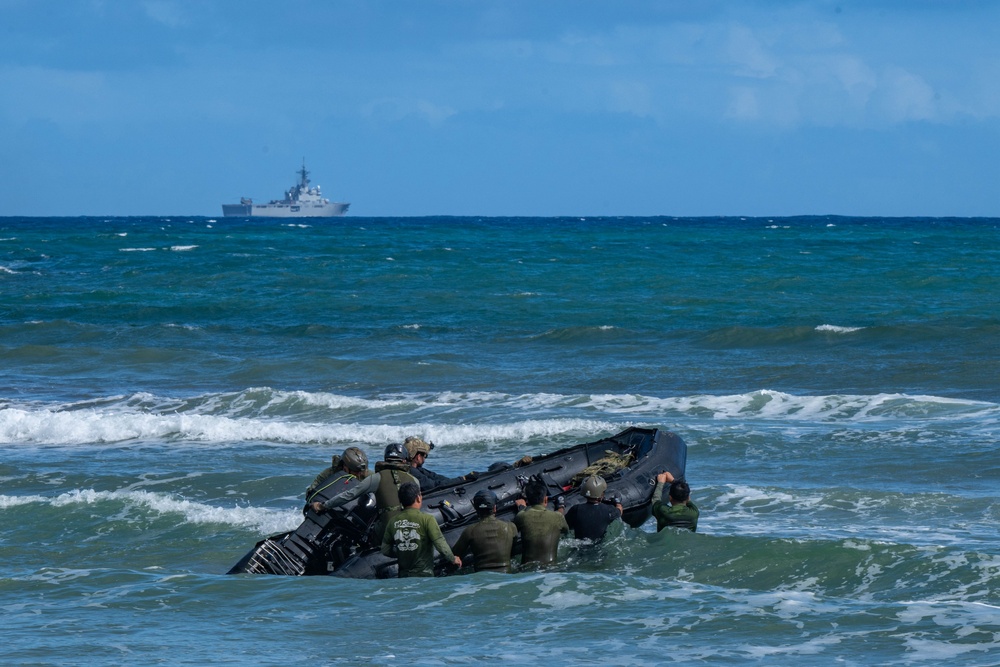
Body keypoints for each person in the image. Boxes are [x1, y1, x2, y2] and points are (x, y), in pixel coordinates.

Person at [310, 442, 417, 542]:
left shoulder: (374, 477)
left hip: (373, 525)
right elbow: (312, 491)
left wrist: (322, 506)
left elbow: (350, 495)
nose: (359, 474)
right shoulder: (414, 480)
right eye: (356, 471)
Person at [381, 481, 461, 577]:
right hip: (424, 575)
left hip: (403, 577)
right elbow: (440, 544)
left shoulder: (393, 521)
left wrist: (403, 552)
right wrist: (453, 559)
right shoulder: (427, 519)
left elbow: (385, 550)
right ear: (418, 498)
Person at [452, 490, 518, 573]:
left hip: (482, 580)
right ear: (494, 508)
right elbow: (513, 551)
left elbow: (455, 554)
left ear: (476, 508)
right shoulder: (510, 527)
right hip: (506, 576)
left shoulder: (470, 531)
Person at [513, 479, 570, 568]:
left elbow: (513, 535)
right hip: (551, 569)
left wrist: (521, 507)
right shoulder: (558, 517)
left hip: (526, 569)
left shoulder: (521, 516)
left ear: (527, 501)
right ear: (546, 499)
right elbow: (565, 530)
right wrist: (561, 505)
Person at [403, 436, 477, 492]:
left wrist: (457, 481)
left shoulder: (415, 469)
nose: (425, 459)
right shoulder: (412, 473)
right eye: (425, 456)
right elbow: (436, 485)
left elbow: (435, 477)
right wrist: (463, 479)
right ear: (418, 457)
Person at [564, 475, 622, 542]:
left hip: (579, 547)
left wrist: (561, 506)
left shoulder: (576, 510)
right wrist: (617, 502)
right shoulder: (608, 510)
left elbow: (563, 523)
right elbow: (619, 511)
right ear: (602, 494)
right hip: (600, 548)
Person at [304, 446, 369, 504]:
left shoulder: (368, 476)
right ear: (345, 468)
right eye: (355, 472)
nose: (359, 474)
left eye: (361, 471)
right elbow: (311, 492)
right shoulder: (330, 473)